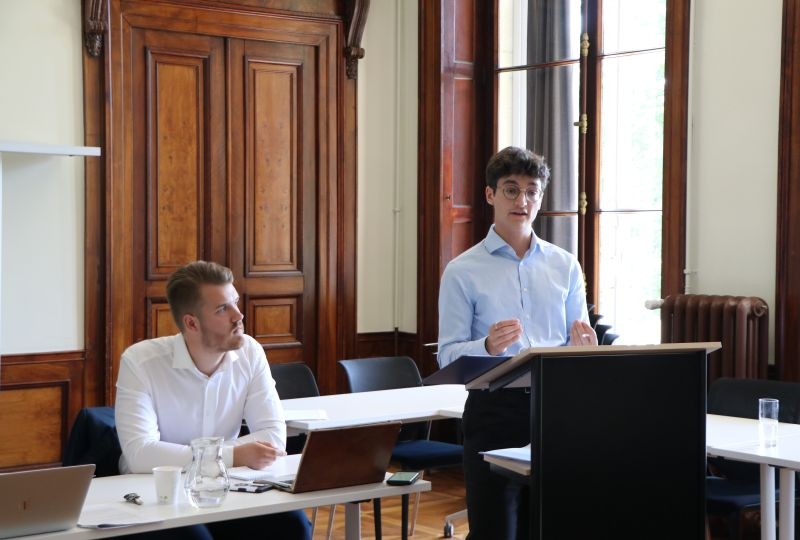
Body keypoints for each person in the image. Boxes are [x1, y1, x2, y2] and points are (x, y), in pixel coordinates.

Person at [437, 146, 597, 540]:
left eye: (531, 191)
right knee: (496, 532)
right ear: (490, 195)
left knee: (547, 528)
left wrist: (586, 351)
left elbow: (579, 340)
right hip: (494, 412)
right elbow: (447, 354)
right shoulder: (462, 271)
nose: (522, 201)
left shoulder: (565, 265)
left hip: (556, 413)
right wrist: (487, 347)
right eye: (511, 190)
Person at [115, 260, 311, 540]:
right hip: (156, 494)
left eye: (235, 302)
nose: (238, 315)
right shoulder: (141, 362)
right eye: (223, 309)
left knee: (293, 527)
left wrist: (209, 460)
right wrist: (233, 455)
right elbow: (141, 454)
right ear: (191, 323)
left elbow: (273, 437)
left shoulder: (251, 353)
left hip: (229, 487)